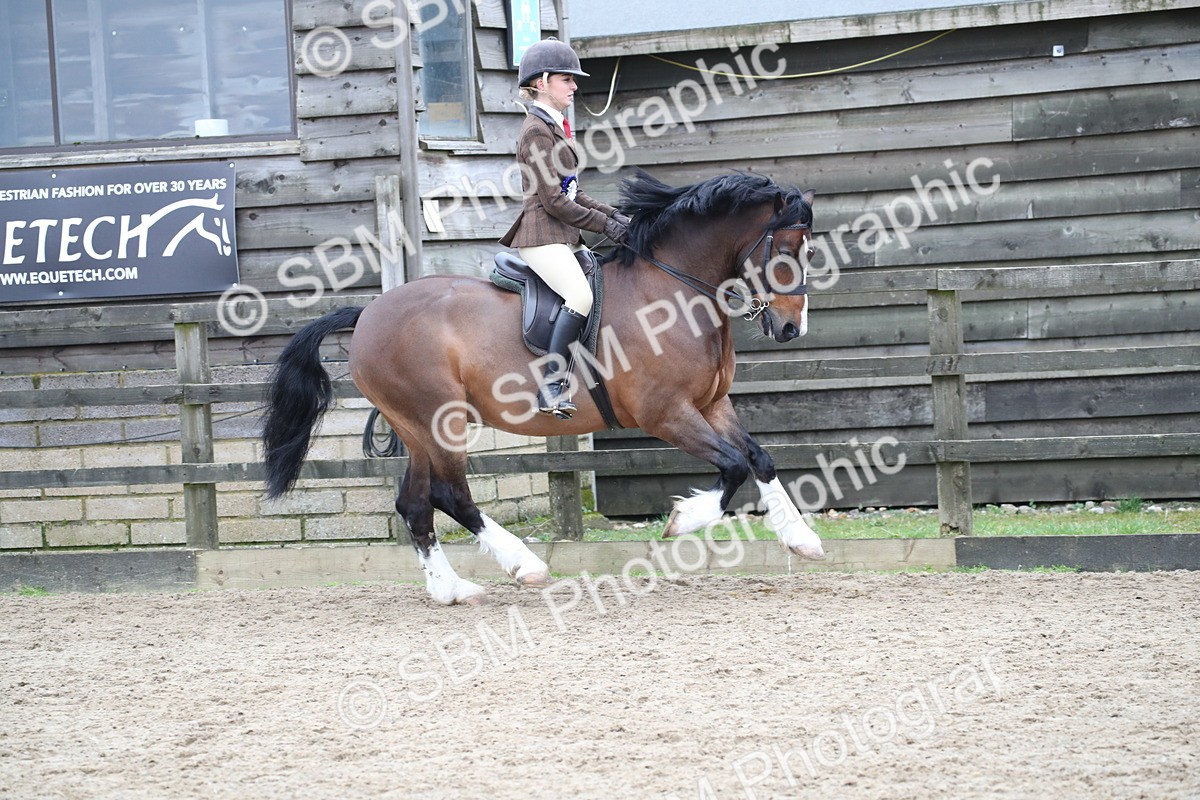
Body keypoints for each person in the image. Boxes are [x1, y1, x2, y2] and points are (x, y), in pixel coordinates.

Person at [499, 38, 630, 419]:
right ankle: (551, 386)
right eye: (566, 79)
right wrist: (604, 224)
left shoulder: (556, 128)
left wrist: (617, 217)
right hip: (542, 237)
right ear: (541, 82)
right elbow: (555, 202)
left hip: (563, 235)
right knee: (580, 295)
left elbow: (575, 192)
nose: (574, 86)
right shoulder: (536, 131)